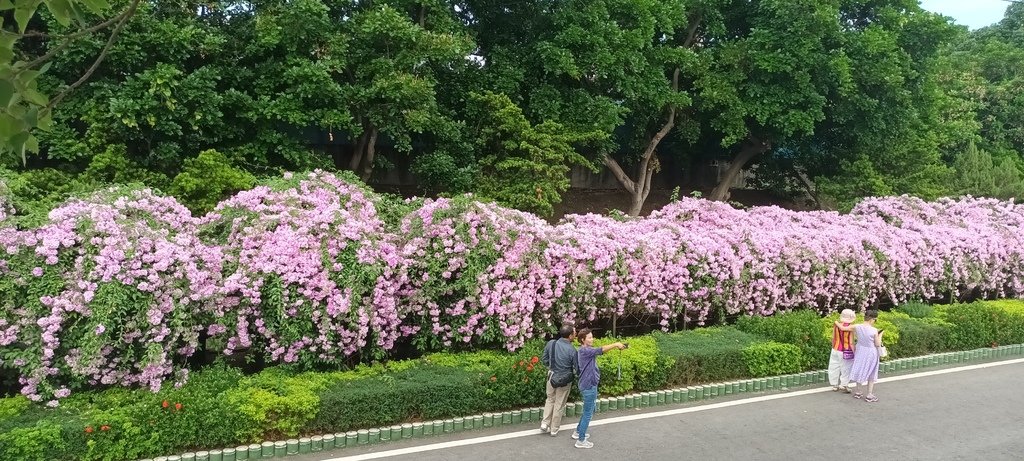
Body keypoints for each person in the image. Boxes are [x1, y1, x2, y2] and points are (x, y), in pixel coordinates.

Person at [573, 328, 626, 449]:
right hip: (589, 385)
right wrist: (616, 344)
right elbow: (601, 349)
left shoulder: (583, 350)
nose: (592, 339)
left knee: (589, 410)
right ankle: (580, 440)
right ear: (582, 340)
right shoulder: (585, 351)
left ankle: (577, 432)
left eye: (592, 337)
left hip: (587, 384)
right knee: (588, 413)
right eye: (590, 338)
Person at [540, 324, 579, 436]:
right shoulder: (572, 350)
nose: (575, 334)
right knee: (559, 403)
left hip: (551, 375)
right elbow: (577, 368)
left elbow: (544, 359)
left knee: (550, 399)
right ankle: (554, 428)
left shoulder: (551, 343)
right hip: (564, 379)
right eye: (574, 333)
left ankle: (544, 423)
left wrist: (551, 367)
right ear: (570, 335)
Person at [848, 309, 883, 402]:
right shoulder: (874, 330)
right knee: (871, 372)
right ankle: (869, 394)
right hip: (871, 352)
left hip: (860, 350)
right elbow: (878, 344)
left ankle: (858, 391)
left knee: (859, 368)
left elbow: (847, 327)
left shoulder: (858, 326)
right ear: (872, 319)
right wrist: (880, 335)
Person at [828, 309, 856, 393]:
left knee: (834, 366)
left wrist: (833, 346)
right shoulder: (850, 327)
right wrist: (854, 351)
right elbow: (851, 342)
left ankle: (834, 385)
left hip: (835, 348)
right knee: (846, 368)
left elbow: (833, 337)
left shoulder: (836, 325)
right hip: (845, 350)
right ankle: (843, 384)